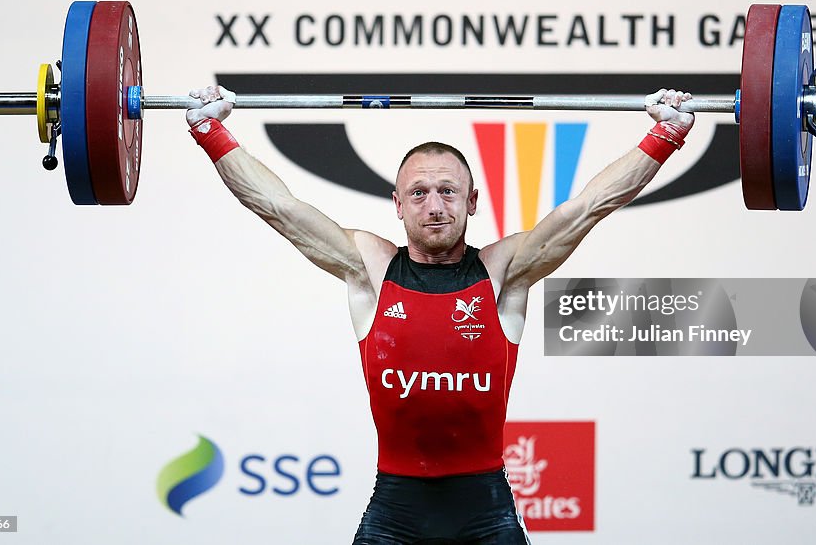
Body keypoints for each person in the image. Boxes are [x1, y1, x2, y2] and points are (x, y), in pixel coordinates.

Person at [186, 86, 694, 544]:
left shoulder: (504, 272)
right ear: (398, 205)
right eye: (419, 193)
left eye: (448, 191)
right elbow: (280, 207)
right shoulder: (370, 269)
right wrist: (211, 132)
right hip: (394, 515)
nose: (434, 206)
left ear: (472, 201)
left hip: (486, 516)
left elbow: (587, 207)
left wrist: (664, 135)